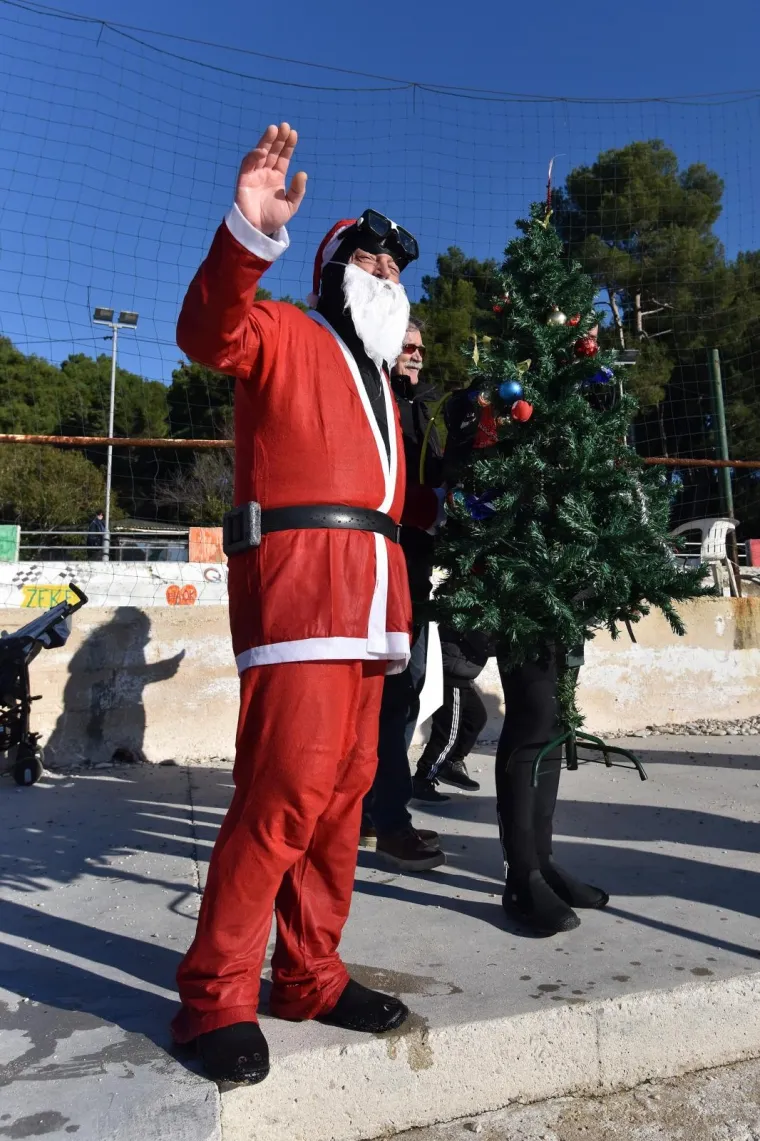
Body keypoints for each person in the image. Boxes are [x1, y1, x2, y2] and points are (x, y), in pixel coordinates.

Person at [171, 123, 439, 1084]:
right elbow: (207, 332)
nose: (386, 271)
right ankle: (215, 996)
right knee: (283, 797)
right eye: (367, 258)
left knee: (343, 800)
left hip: (372, 605)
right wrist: (249, 231)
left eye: (395, 266)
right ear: (328, 273)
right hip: (301, 601)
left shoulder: (384, 385)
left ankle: (309, 974)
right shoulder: (284, 329)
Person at [441, 381, 608, 937]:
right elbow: (462, 473)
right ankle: (522, 876)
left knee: (554, 722)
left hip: (566, 581)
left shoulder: (565, 405)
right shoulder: (489, 404)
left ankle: (544, 861)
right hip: (518, 578)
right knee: (534, 717)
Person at [361, 317, 449, 872]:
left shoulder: (430, 410)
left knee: (405, 691)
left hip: (415, 572)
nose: (414, 354)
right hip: (379, 566)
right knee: (390, 696)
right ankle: (387, 820)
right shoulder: (375, 398)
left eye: (420, 348)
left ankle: (375, 812)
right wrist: (431, 507)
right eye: (405, 346)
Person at [412, 626, 490, 797]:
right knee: (448, 734)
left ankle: (451, 763)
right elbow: (481, 639)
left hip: (462, 675)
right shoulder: (474, 614)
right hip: (451, 674)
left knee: (476, 718)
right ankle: (422, 779)